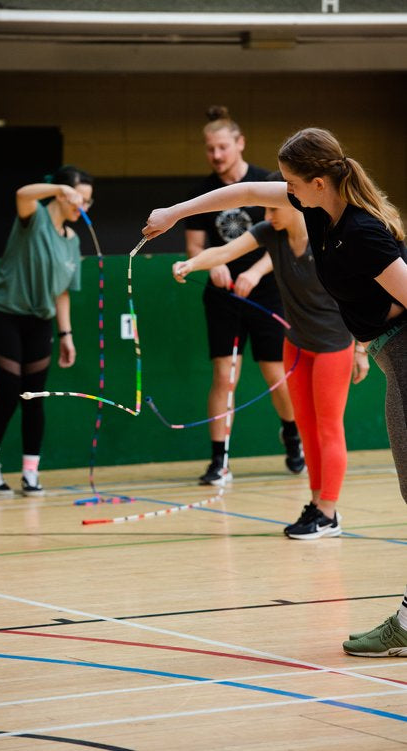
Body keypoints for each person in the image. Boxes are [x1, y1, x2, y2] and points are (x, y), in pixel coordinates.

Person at [143, 126, 407, 657]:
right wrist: (174, 213)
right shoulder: (316, 210)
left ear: (316, 181)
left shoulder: (362, 232)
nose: (280, 191)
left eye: (289, 181)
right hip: (388, 353)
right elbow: (240, 193)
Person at [173, 171, 370, 539]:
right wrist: (192, 264)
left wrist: (361, 348)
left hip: (332, 346)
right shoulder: (270, 233)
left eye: (271, 207)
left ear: (295, 206)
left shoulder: (327, 237)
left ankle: (329, 511)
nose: (267, 214)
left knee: (329, 428)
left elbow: (360, 292)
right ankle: (317, 504)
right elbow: (225, 251)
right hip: (296, 344)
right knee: (308, 429)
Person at [185, 105, 304, 486]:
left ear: (239, 143)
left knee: (275, 375)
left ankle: (292, 435)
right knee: (224, 376)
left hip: (267, 294)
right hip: (222, 298)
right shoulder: (201, 193)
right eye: (209, 149)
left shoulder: (265, 184)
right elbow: (195, 247)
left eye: (222, 147)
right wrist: (209, 265)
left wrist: (253, 271)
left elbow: (284, 240)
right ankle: (219, 460)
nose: (216, 155)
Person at [0, 165, 94, 498]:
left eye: (87, 202)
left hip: (40, 322)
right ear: (61, 193)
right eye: (78, 199)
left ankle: (30, 472)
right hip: (4, 314)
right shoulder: (34, 217)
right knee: (8, 391)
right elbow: (22, 195)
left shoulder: (73, 242)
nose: (82, 208)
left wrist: (66, 335)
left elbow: (62, 292)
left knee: (34, 398)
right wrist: (57, 190)